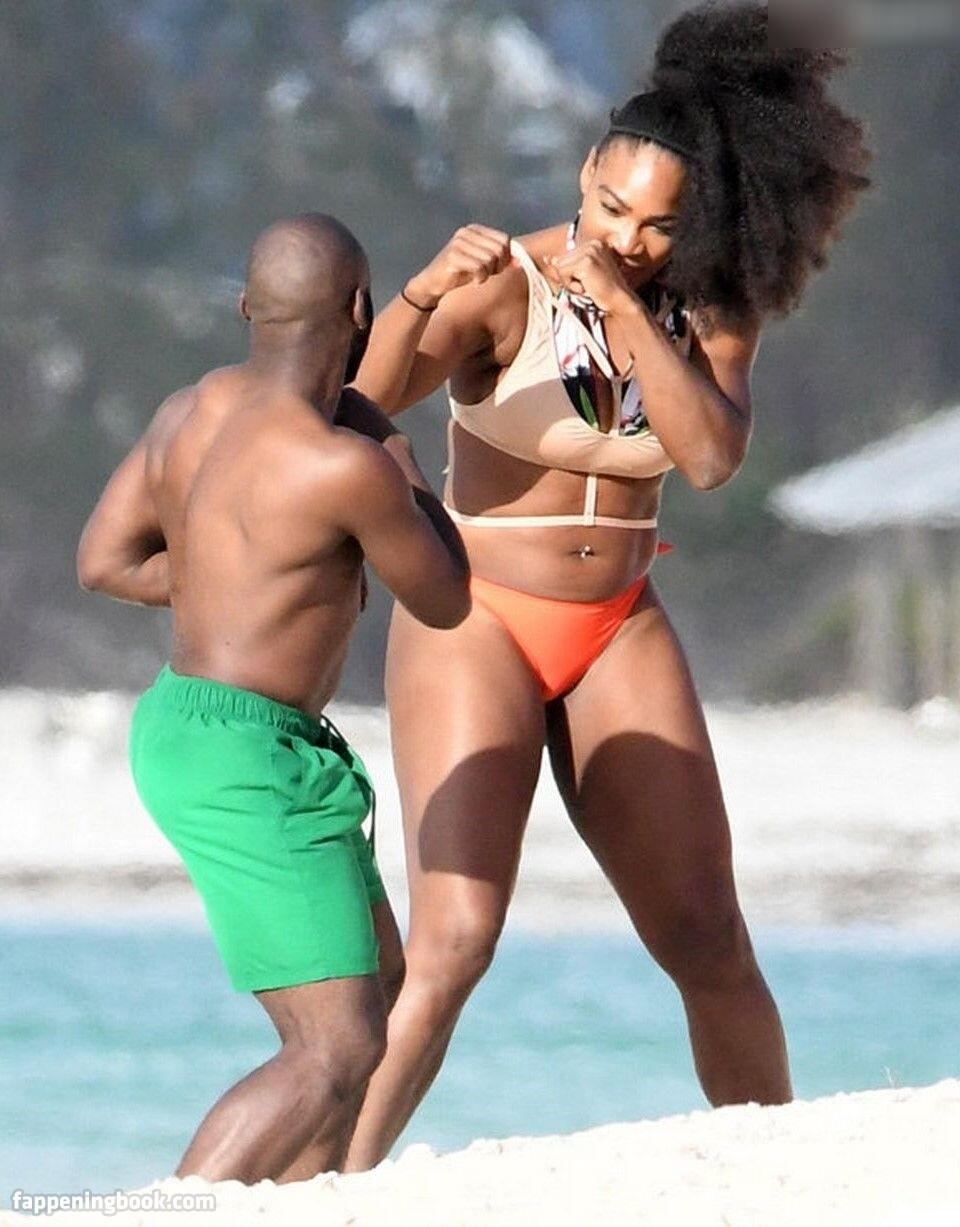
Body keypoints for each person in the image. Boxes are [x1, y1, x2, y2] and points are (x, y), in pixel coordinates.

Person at [344, 2, 871, 1169]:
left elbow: (710, 457)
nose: (625, 236)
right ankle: (331, 1186)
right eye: (610, 206)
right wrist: (423, 294)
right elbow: (361, 408)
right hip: (478, 616)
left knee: (709, 939)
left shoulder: (711, 307)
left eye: (657, 224)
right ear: (585, 174)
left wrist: (628, 308)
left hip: (618, 623)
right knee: (456, 943)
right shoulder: (506, 285)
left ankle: (777, 1177)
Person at [76, 213, 470, 1184]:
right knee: (334, 1047)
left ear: (246, 307)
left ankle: (298, 1204)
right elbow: (446, 596)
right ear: (361, 311)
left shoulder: (190, 409)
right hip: (247, 755)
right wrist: (398, 453)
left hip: (189, 721)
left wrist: (227, 581)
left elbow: (104, 561)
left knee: (377, 985)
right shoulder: (348, 465)